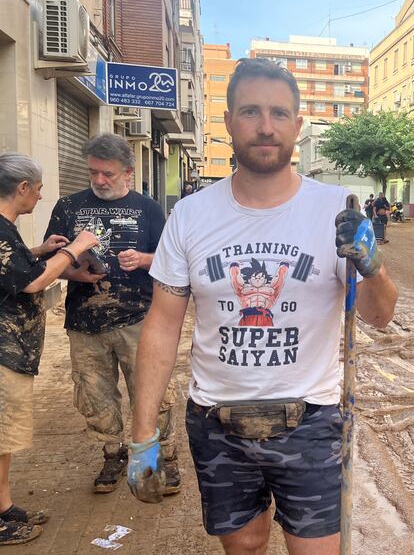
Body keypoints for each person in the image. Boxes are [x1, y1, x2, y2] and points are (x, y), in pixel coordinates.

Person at [127, 58, 398, 555]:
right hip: (217, 422)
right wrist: (142, 432)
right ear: (228, 121)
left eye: (279, 113)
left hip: (312, 419)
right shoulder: (190, 216)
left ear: (298, 125)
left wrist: (372, 265)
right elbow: (162, 327)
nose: (266, 126)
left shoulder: (338, 209)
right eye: (251, 111)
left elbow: (379, 316)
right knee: (245, 545)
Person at [43, 133, 181, 494]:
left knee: (152, 391)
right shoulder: (68, 207)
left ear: (128, 173)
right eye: (93, 173)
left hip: (140, 319)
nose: (99, 180)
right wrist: (76, 271)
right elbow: (51, 262)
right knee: (94, 394)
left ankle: (165, 455)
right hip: (84, 322)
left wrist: (143, 259)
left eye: (108, 173)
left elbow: (171, 259)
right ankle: (112, 452)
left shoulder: (148, 208)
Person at [0, 153, 99, 545]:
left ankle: (4, 506)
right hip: (4, 352)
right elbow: (32, 284)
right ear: (22, 188)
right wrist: (74, 249)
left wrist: (39, 251)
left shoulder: (9, 232)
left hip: (14, 351)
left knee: (4, 438)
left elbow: (16, 270)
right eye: (38, 189)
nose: (41, 197)